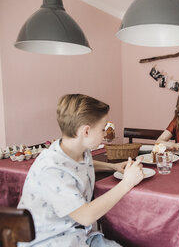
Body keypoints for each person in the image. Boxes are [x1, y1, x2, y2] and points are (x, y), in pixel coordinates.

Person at [17, 94, 144, 247]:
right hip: (52, 241)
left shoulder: (78, 150)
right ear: (86, 131)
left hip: (81, 235)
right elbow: (86, 216)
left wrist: (113, 167)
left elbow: (79, 166)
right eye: (103, 129)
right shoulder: (51, 169)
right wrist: (127, 183)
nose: (104, 134)